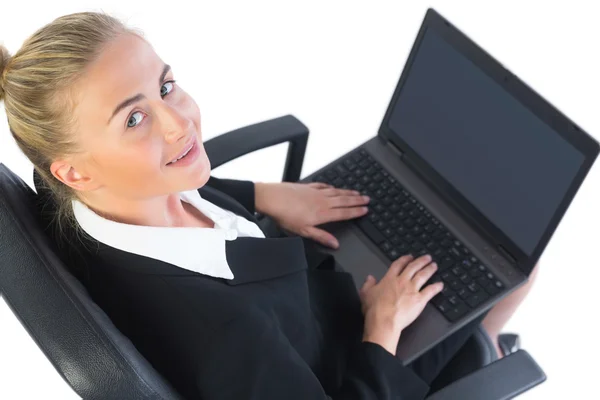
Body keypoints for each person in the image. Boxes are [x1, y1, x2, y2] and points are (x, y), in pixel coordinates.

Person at [0, 11, 540, 399]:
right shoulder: (226, 341)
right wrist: (383, 330)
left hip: (305, 296)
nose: (180, 121)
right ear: (76, 170)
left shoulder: (71, 196)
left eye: (165, 87)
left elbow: (174, 190)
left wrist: (263, 195)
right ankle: (482, 352)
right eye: (134, 119)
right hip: (349, 359)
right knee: (510, 262)